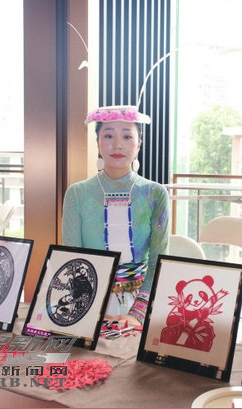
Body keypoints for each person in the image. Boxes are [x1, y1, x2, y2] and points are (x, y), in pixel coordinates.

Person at [62, 105, 170, 326]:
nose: (118, 144)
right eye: (109, 135)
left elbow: (159, 261)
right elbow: (72, 259)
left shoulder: (155, 194)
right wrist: (89, 309)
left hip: (142, 303)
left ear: (139, 144)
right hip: (88, 301)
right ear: (98, 143)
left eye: (127, 136)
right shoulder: (77, 194)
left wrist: (137, 314)